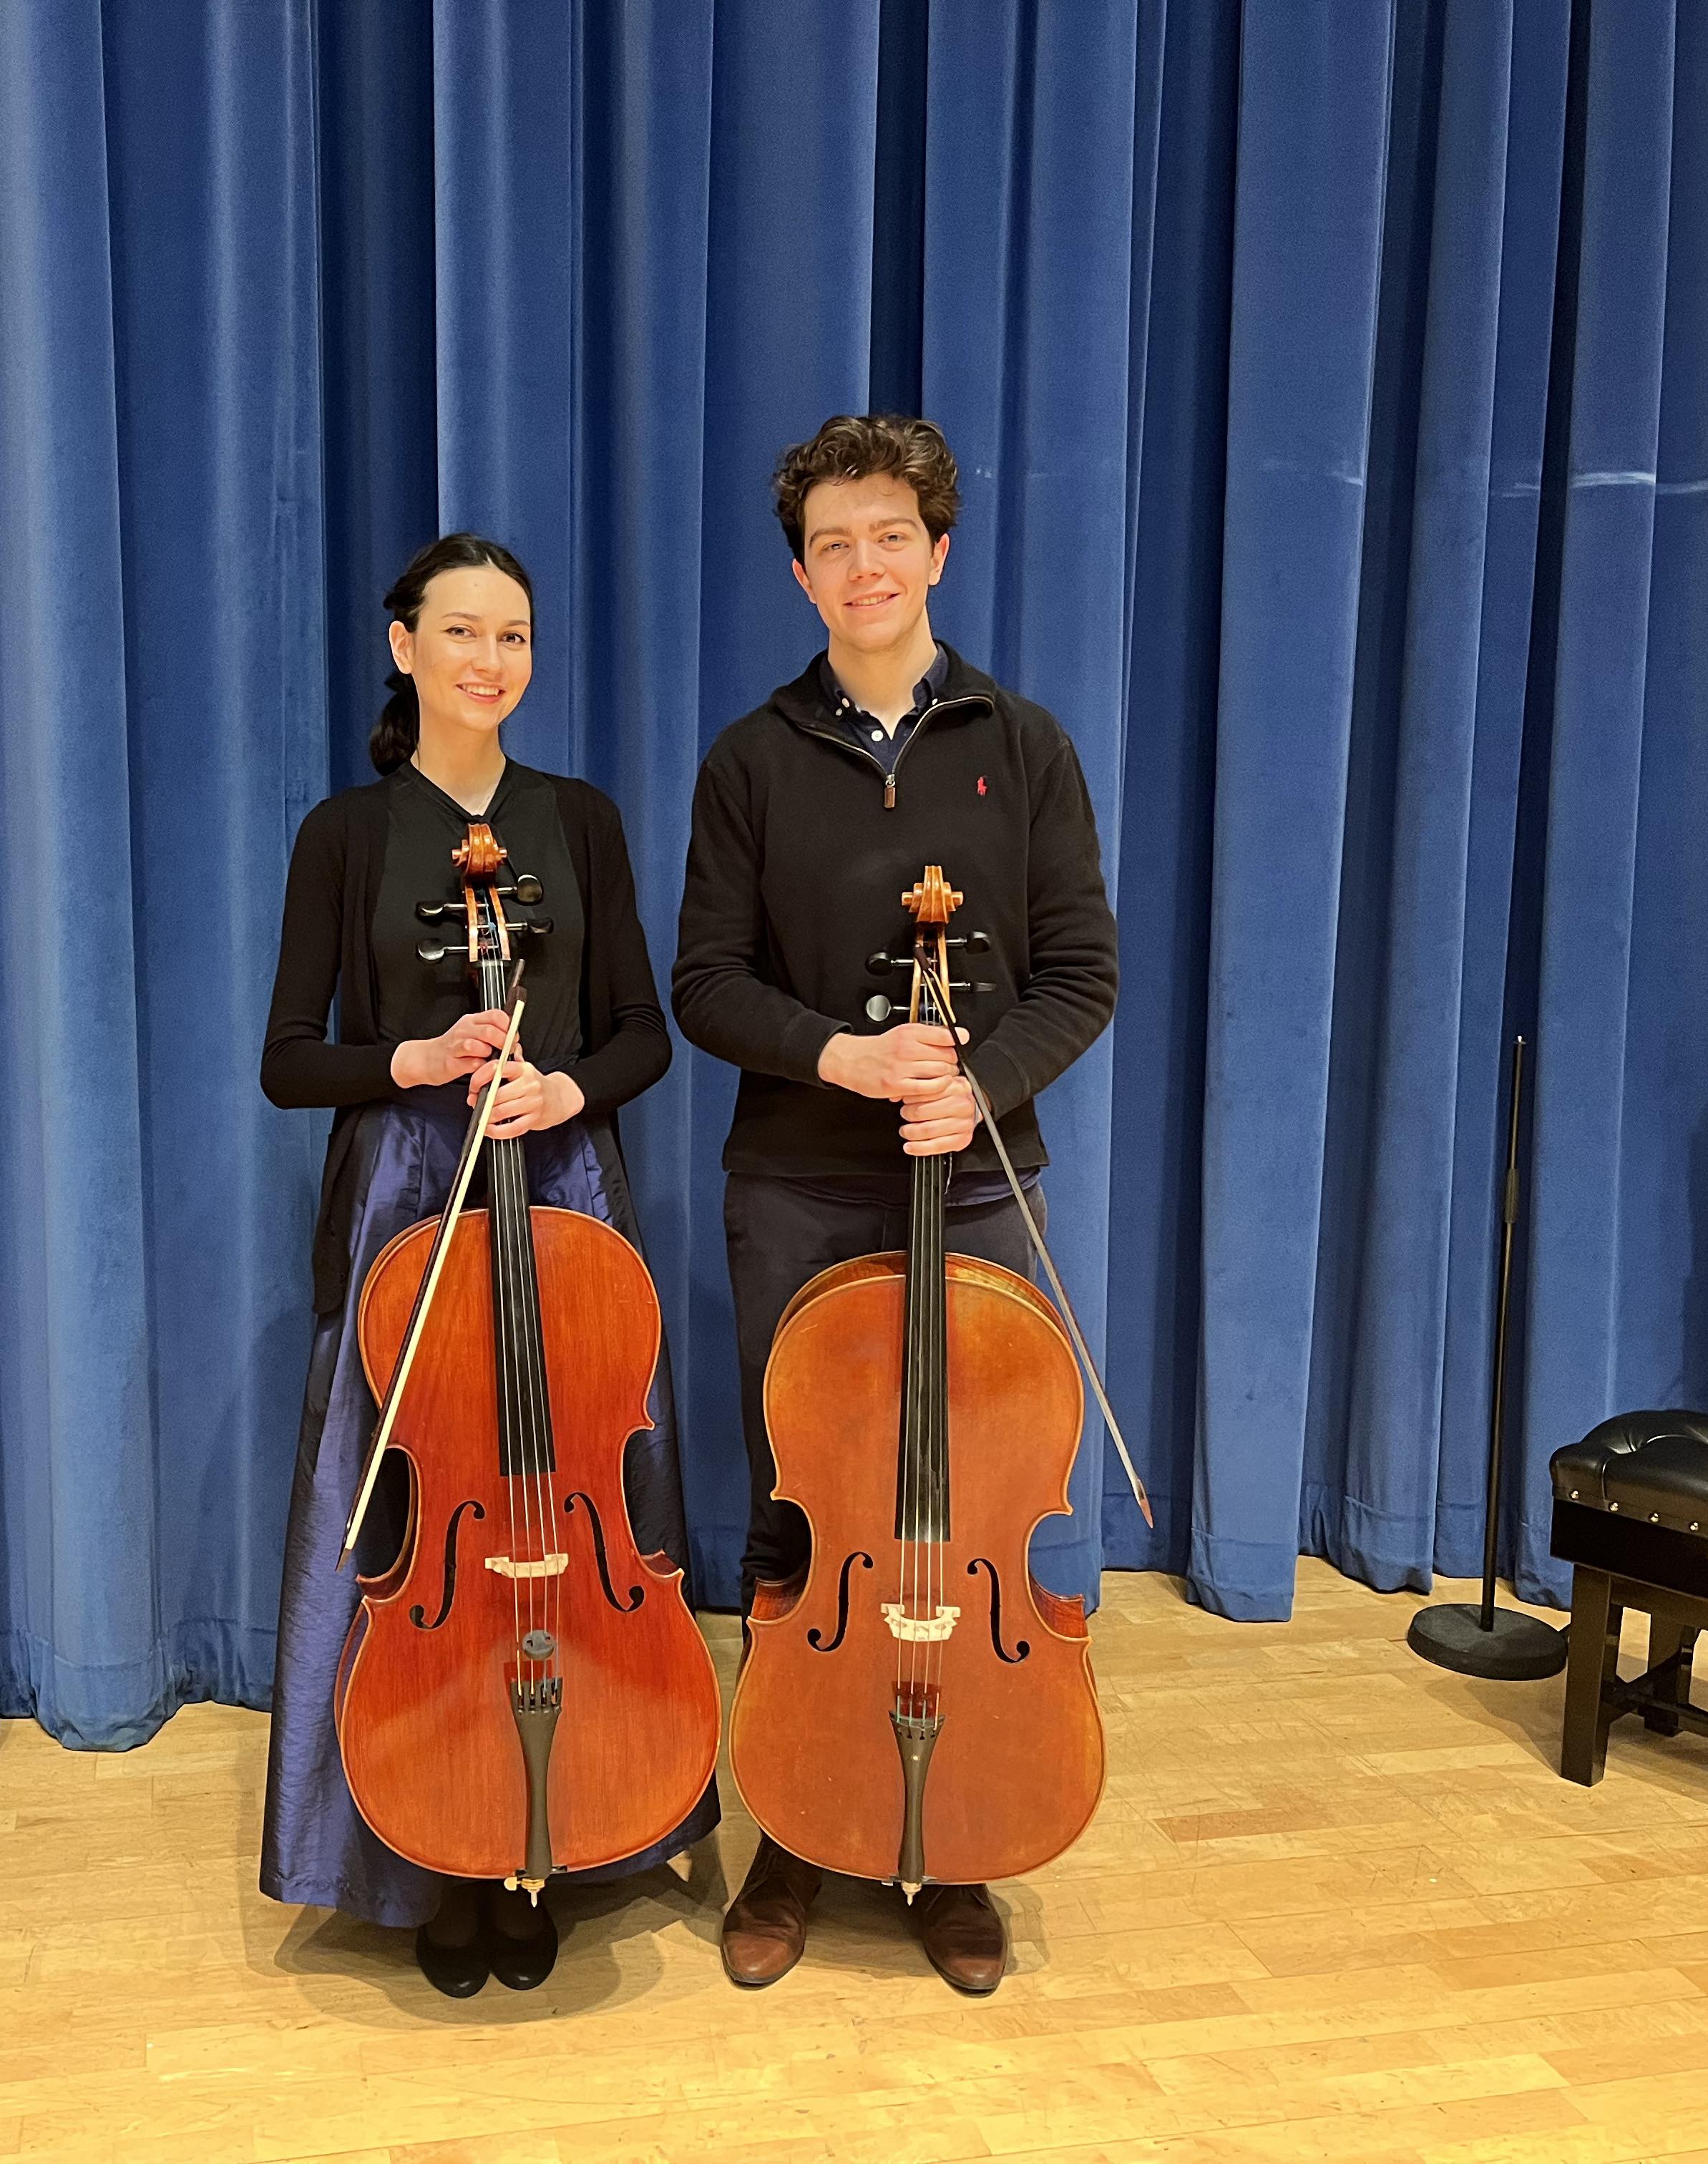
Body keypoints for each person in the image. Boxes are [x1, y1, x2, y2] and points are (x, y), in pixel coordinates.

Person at [672, 415, 1119, 1995]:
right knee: (812, 1519)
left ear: (937, 549)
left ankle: (956, 1844)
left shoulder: (1028, 744)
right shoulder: (749, 760)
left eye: (890, 536)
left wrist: (978, 1081)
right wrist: (847, 1061)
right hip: (798, 1187)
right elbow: (706, 987)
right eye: (832, 546)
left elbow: (1082, 974)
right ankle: (795, 1824)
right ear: (804, 578)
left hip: (981, 1192)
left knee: (956, 1516)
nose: (865, 566)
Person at [259, 532, 716, 1999]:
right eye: (460, 632)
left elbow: (644, 1027)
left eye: (511, 634)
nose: (487, 659)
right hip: (411, 1204)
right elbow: (286, 1061)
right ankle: (423, 1857)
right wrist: (408, 1055)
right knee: (417, 1533)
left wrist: (568, 1087)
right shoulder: (346, 834)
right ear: (405, 648)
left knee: (573, 1519)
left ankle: (568, 1832)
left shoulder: (578, 822)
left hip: (562, 1195)